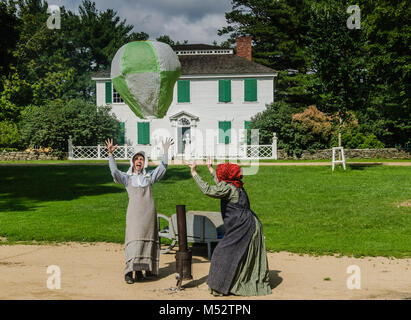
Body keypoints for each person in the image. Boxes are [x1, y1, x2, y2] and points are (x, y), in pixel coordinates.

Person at [188, 158, 271, 296]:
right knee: (239, 254)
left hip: (243, 227)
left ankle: (220, 286)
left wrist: (194, 172)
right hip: (250, 224)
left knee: (221, 254)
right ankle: (231, 283)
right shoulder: (236, 185)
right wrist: (210, 169)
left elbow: (208, 190)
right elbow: (222, 185)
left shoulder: (229, 187)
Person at [105, 137, 174, 284]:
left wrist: (166, 152)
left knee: (146, 240)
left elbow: (162, 168)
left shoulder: (148, 177)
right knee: (134, 240)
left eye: (141, 159)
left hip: (148, 213)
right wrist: (111, 155)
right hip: (134, 215)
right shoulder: (127, 178)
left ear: (144, 162)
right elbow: (114, 172)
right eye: (136, 158)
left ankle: (141, 270)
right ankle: (129, 272)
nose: (139, 161)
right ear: (132, 162)